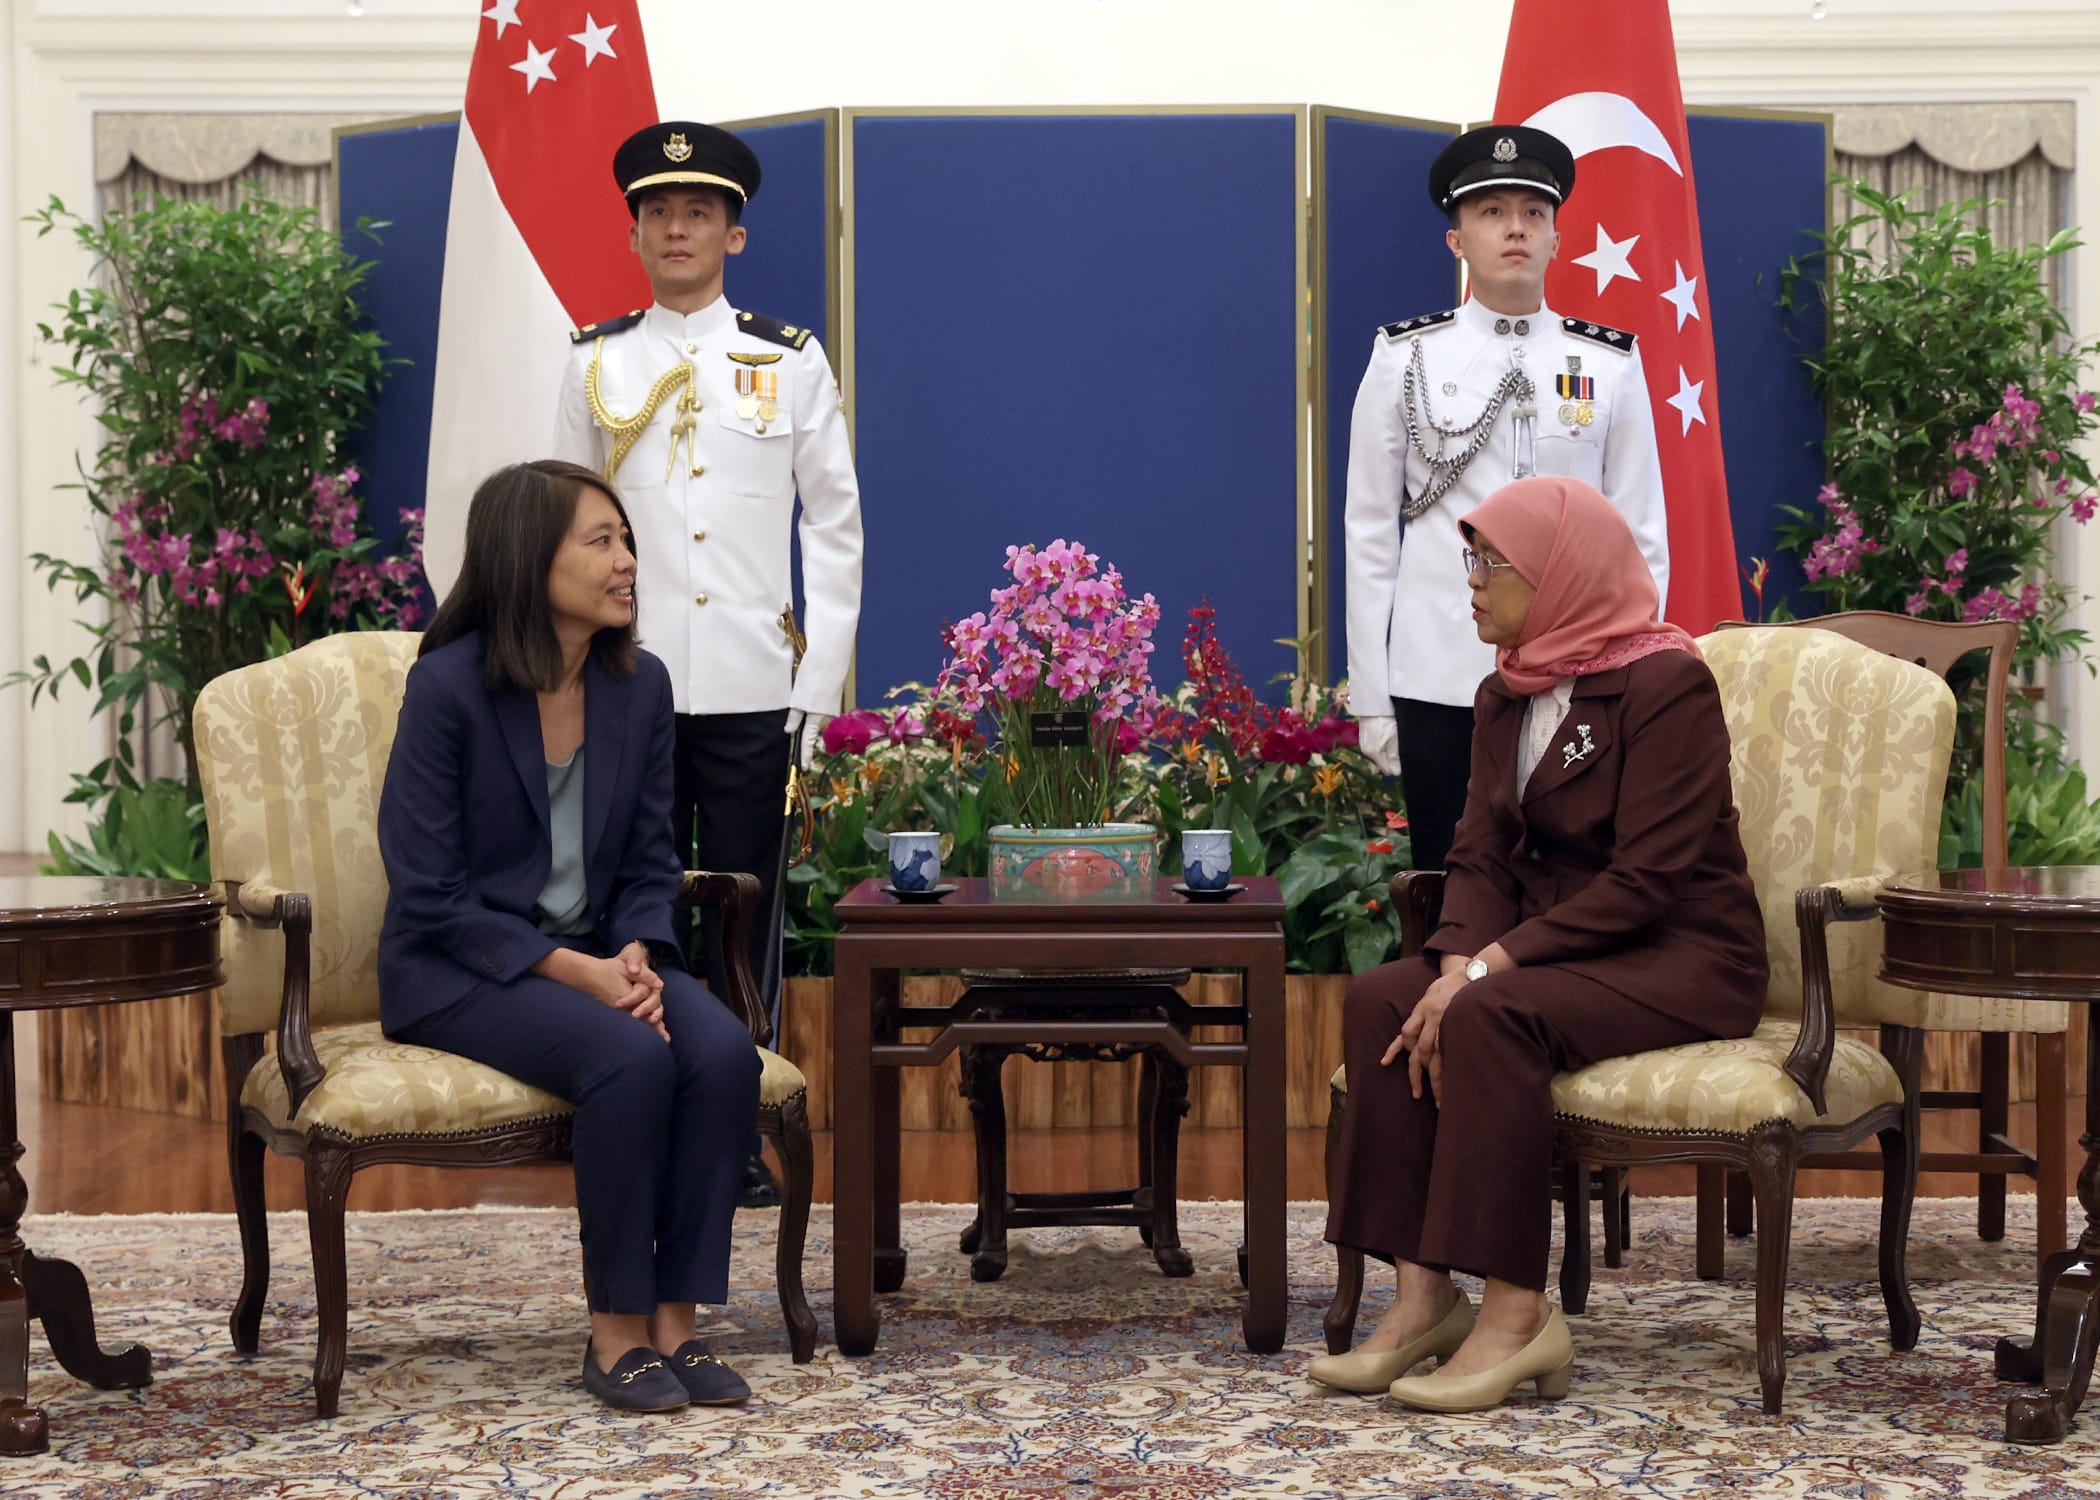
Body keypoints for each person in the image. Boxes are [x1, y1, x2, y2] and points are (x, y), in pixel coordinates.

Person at [1313, 475, 1765, 1413]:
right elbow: (1476, 855)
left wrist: (1482, 974)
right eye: (1468, 560)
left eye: (1490, 564)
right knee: (1379, 1000)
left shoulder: (1664, 683)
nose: (1470, 583)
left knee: (1494, 1013)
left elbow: (1647, 881)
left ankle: (1520, 1311)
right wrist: (1448, 972)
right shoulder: (1503, 692)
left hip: (1680, 954)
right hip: (1555, 955)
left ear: (1560, 574)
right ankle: (1423, 1298)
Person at [377, 460, 763, 1413]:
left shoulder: (638, 686)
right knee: (631, 1061)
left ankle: (678, 1322)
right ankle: (614, 1335)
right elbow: (429, 892)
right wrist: (575, 974)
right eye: (601, 541)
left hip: (598, 957)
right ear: (528, 560)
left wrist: (635, 954)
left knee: (721, 1054)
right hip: (462, 968)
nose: (627, 560)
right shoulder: (448, 689)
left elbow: (646, 861)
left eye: (625, 539)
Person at [552, 120, 863, 1209]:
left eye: (699, 212)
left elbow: (834, 525)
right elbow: (560, 526)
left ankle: (728, 1128)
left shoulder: (789, 360)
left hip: (746, 683)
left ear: (736, 231)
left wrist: (816, 682)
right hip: (620, 682)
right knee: (627, 903)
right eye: (657, 212)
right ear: (634, 233)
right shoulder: (594, 361)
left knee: (741, 909)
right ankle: (629, 1107)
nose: (677, 228)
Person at [1344, 124, 1668, 874]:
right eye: (1491, 212)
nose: (1514, 228)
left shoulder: (1608, 363)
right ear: (1456, 239)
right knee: (1449, 886)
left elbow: (1640, 529)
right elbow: (1367, 533)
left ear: (1558, 237)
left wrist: (1628, 669)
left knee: (1573, 883)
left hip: (1580, 675)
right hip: (1441, 670)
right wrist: (1373, 694)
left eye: (1533, 212)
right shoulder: (1405, 358)